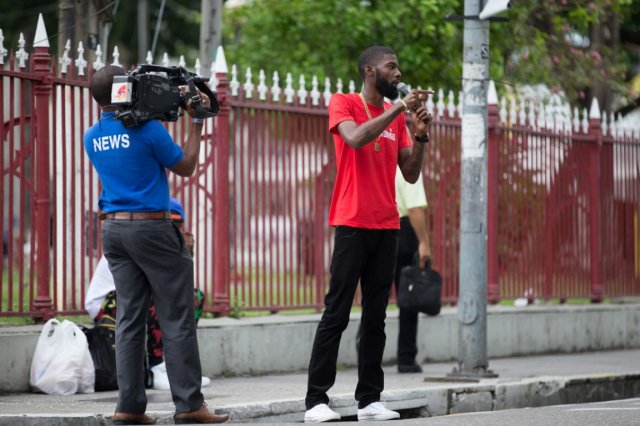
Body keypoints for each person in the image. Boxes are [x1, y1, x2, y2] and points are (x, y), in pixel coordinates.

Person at [83, 65, 228, 425]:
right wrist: (195, 123)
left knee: (129, 320)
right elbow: (186, 166)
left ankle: (129, 408)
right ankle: (190, 405)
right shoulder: (148, 131)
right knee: (176, 317)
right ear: (124, 90)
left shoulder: (91, 135)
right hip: (153, 229)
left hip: (114, 232)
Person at [304, 46, 433, 423]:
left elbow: (409, 174)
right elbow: (355, 139)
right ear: (368, 70)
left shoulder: (397, 120)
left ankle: (370, 400)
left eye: (398, 66)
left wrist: (421, 136)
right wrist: (399, 109)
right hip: (351, 224)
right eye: (390, 66)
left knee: (376, 317)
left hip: (388, 226)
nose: (397, 72)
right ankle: (316, 400)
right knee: (337, 313)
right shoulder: (343, 102)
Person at [84, 198, 211, 390]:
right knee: (156, 295)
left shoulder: (167, 242)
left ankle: (178, 366)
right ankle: (156, 367)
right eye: (171, 224)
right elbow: (155, 280)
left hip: (134, 295)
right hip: (106, 304)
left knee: (193, 296)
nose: (175, 228)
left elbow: (174, 284)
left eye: (178, 224)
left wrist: (183, 255)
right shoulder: (144, 238)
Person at [394, 167, 431, 373]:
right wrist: (424, 243)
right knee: (408, 298)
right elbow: (415, 209)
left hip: (381, 229)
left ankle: (364, 349)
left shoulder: (384, 163)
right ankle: (406, 358)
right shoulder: (410, 169)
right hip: (404, 233)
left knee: (375, 296)